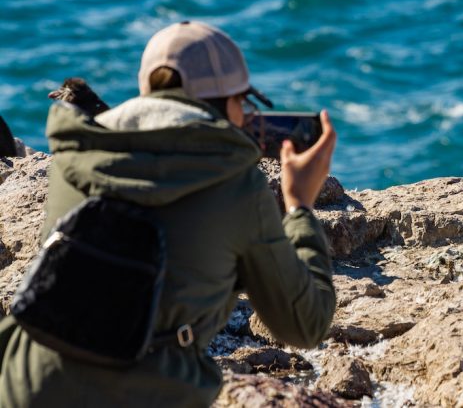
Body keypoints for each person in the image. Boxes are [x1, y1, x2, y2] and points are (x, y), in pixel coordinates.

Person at [0, 21, 337, 406]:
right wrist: (299, 204)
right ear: (228, 102)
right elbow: (305, 324)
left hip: (21, 381)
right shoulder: (234, 183)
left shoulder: (73, 158)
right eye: (244, 101)